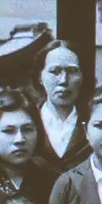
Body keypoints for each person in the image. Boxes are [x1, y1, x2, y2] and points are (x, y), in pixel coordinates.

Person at [30, 37, 91, 171]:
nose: (63, 80)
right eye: (54, 71)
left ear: (82, 76)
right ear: (40, 77)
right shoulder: (28, 121)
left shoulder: (93, 123)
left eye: (72, 71)